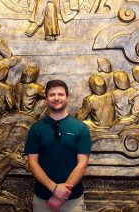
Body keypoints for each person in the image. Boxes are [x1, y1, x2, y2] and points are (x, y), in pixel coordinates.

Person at [24, 80, 91, 211]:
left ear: (67, 98)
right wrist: (54, 188)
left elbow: (82, 166)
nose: (56, 98)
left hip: (72, 201)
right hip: (42, 199)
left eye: (60, 94)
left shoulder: (81, 128)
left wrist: (60, 196)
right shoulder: (36, 128)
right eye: (52, 95)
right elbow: (32, 164)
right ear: (46, 99)